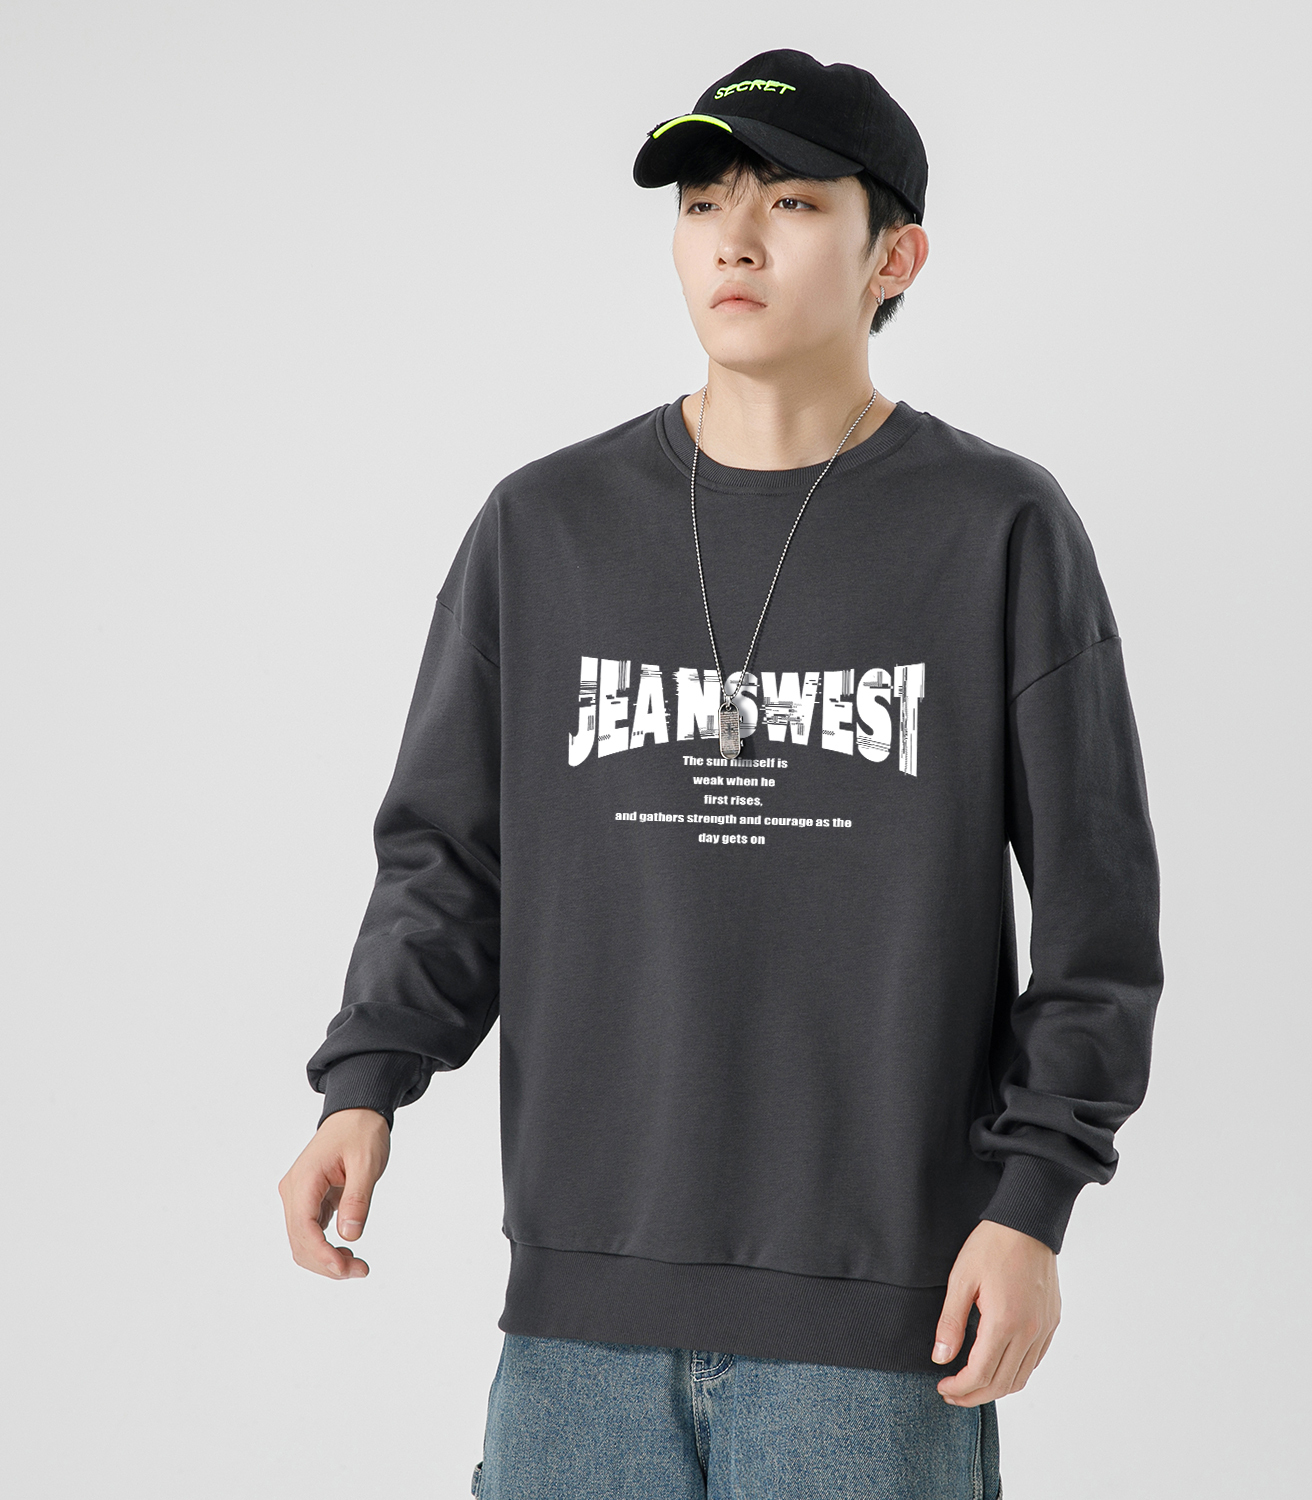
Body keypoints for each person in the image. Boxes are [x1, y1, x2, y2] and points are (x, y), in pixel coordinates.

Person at [278, 47, 1162, 1500]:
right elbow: (448, 858)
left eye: (793, 203)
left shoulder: (997, 529)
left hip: (882, 1316)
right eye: (702, 204)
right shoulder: (544, 529)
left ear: (895, 256)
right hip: (578, 1319)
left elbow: (1098, 915)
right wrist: (364, 1085)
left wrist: (1033, 1203)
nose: (733, 240)